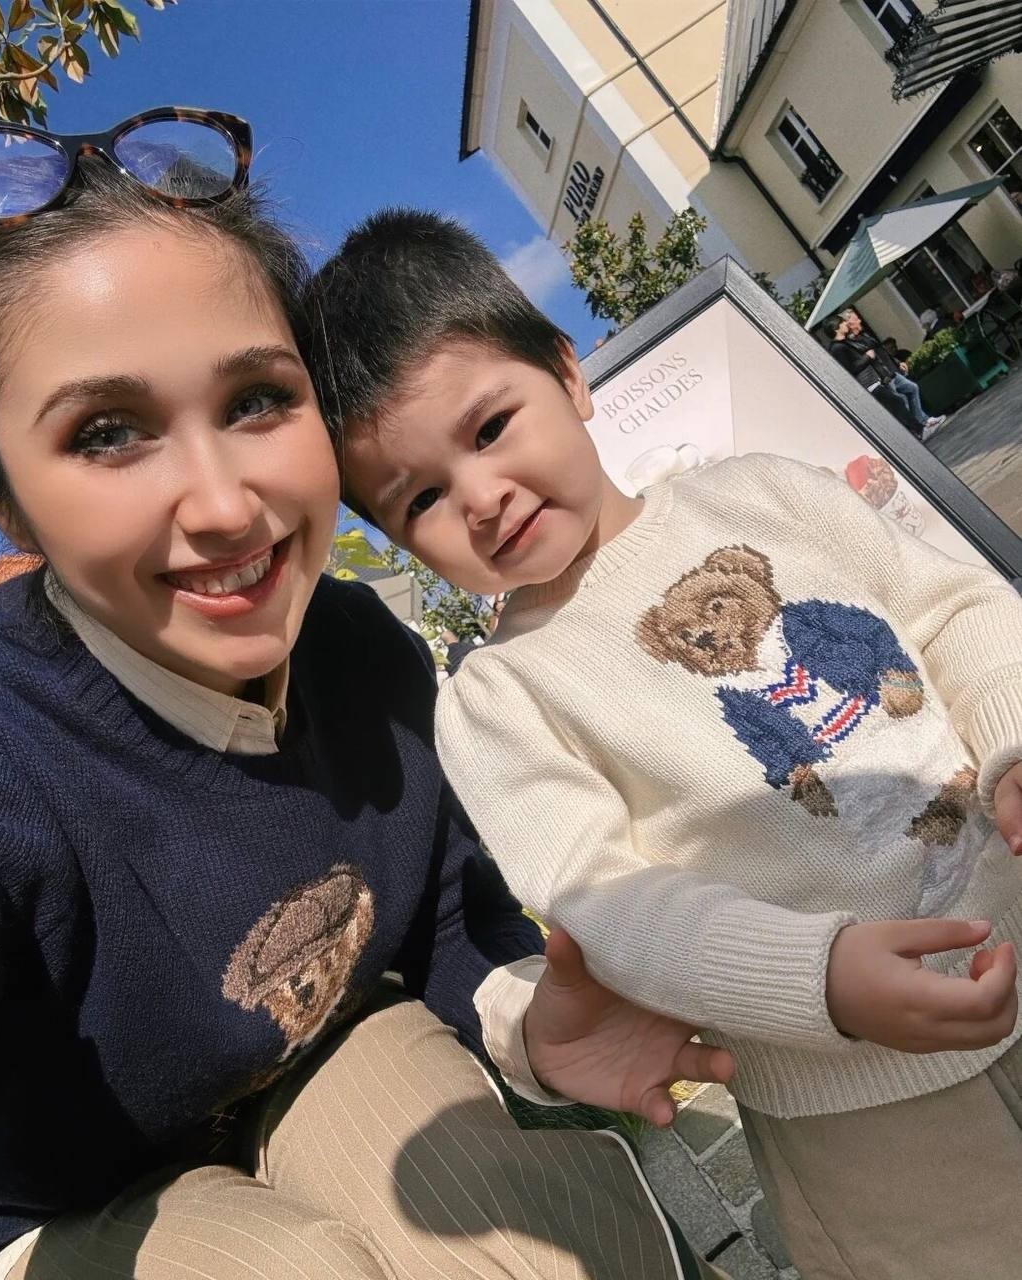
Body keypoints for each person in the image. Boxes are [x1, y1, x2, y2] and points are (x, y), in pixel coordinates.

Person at [0, 115, 736, 1280]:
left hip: (319, 1055)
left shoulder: (366, 656)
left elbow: (447, 917)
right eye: (109, 432)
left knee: (540, 1247)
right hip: (52, 1203)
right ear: (7, 506)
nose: (224, 505)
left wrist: (537, 1021)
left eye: (255, 399)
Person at [308, 208, 1022, 1280]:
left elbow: (953, 608)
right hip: (859, 1104)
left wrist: (1012, 737)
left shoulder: (763, 491)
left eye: (490, 428)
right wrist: (817, 978)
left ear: (568, 373)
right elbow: (610, 900)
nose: (482, 497)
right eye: (423, 499)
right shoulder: (500, 698)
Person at [838, 309, 946, 441]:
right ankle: (915, 433)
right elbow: (866, 361)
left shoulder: (863, 335)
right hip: (883, 376)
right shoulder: (851, 344)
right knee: (900, 402)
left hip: (890, 370)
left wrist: (897, 362)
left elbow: (881, 351)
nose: (860, 321)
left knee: (912, 388)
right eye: (856, 319)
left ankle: (923, 421)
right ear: (849, 323)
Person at [822, 316, 924, 436]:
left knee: (896, 404)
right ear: (835, 328)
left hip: (874, 381)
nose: (845, 323)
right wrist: (867, 357)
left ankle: (915, 431)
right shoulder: (837, 348)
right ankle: (918, 430)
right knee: (897, 403)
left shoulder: (846, 342)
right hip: (868, 385)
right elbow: (850, 369)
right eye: (842, 322)